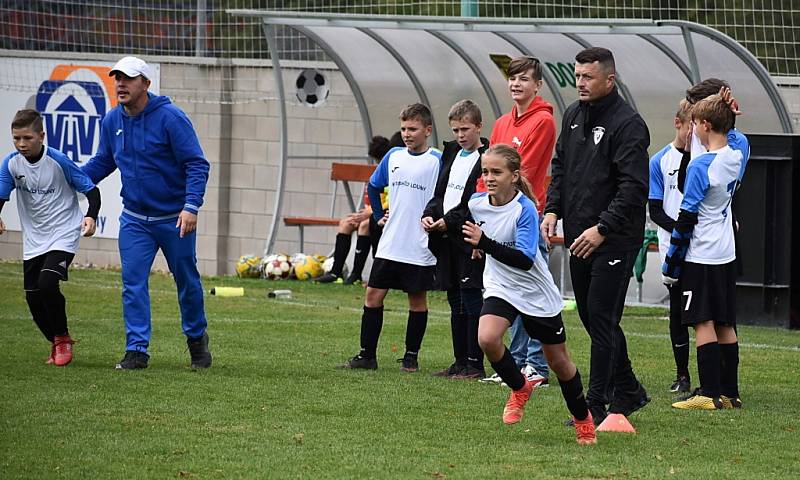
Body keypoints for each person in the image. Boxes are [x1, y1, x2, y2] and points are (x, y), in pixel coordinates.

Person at [541, 47, 650, 425]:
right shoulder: (573, 115)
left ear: (609, 79)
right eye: (577, 76)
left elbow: (633, 189)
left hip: (614, 238)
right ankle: (630, 388)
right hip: (578, 236)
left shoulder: (629, 124)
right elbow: (561, 168)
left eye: (587, 77)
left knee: (602, 318)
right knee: (590, 317)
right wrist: (553, 208)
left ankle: (596, 404)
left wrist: (602, 228)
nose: (580, 83)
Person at [81, 56, 212, 370]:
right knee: (133, 282)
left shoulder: (171, 118)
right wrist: (68, 177)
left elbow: (197, 164)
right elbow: (103, 162)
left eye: (128, 78)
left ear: (146, 84)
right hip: (135, 219)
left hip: (174, 219)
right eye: (117, 78)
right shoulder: (112, 120)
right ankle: (136, 350)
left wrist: (191, 206)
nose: (120, 84)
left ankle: (197, 339)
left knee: (187, 281)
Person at [464, 144, 596, 445]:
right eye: (485, 172)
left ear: (514, 176)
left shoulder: (524, 209)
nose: (489, 178)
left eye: (496, 172)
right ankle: (520, 387)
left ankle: (582, 419)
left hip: (535, 292)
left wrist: (483, 242)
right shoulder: (476, 203)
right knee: (487, 338)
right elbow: (472, 226)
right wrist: (473, 242)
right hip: (501, 287)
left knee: (559, 363)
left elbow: (524, 259)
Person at [338, 103, 441, 372]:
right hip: (391, 242)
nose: (407, 134)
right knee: (373, 294)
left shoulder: (437, 160)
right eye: (404, 128)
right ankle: (367, 356)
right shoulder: (394, 156)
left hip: (419, 243)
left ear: (427, 130)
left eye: (413, 129)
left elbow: (445, 195)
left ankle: (410, 357)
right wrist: (377, 216)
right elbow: (374, 185)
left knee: (417, 300)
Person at [663, 94, 746, 410]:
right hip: (726, 252)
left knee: (702, 320)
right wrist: (732, 118)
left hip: (702, 254)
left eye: (695, 122)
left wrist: (671, 264)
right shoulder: (736, 155)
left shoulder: (701, 166)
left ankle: (707, 394)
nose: (692, 129)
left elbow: (686, 219)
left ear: (705, 125)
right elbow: (736, 138)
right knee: (725, 321)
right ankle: (730, 392)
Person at [0, 109, 100, 366]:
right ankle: (57, 339)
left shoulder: (58, 160)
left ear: (41, 136)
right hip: (34, 238)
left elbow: (91, 189)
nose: (21, 144)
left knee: (46, 284)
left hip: (64, 232)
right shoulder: (11, 163)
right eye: (16, 139)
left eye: (27, 138)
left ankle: (63, 339)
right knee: (32, 297)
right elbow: (1, 194)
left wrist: (91, 216)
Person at [479, 56, 556, 387]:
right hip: (497, 216)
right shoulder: (500, 123)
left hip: (526, 214)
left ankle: (534, 364)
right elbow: (488, 173)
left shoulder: (544, 122)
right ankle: (515, 363)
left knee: (530, 288)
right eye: (512, 78)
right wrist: (484, 213)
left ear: (537, 85)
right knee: (506, 288)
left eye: (524, 79)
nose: (516, 84)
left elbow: (524, 170)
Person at [422, 99, 488, 379]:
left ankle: (475, 363)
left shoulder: (486, 157)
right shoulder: (450, 153)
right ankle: (459, 361)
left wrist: (448, 221)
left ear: (479, 127)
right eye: (456, 130)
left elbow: (477, 200)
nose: (460, 135)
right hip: (446, 236)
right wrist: (428, 214)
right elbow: (440, 193)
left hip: (467, 237)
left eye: (465, 129)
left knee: (471, 299)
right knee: (454, 299)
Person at [648, 99, 694, 394]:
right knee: (678, 311)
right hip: (674, 249)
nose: (696, 134)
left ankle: (717, 378)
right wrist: (682, 230)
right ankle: (682, 374)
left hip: (703, 250)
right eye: (692, 126)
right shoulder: (659, 161)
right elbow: (655, 210)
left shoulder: (706, 158)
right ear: (679, 123)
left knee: (706, 313)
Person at [317, 133, 401, 285]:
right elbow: (373, 195)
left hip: (386, 213)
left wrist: (371, 212)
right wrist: (367, 211)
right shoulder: (381, 171)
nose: (379, 163)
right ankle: (336, 272)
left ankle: (356, 274)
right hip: (375, 211)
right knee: (346, 223)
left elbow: (397, 198)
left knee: (365, 225)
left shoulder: (398, 171)